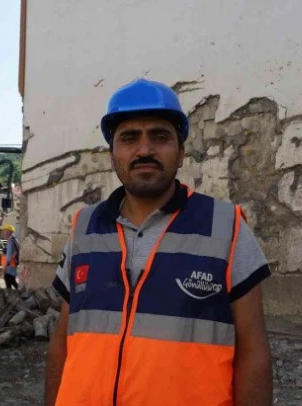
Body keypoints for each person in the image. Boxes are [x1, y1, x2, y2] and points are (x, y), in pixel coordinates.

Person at [45, 79, 273, 405]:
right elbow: (62, 343)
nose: (144, 150)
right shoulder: (84, 228)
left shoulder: (227, 227)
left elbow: (253, 352)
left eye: (160, 136)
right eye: (129, 138)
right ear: (112, 155)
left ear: (181, 154)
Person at [0, 224, 20, 290]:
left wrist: (4, 268)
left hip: (9, 266)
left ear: (9, 232)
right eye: (4, 231)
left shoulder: (10, 242)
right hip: (11, 265)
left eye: (5, 231)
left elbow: (8, 257)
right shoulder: (14, 240)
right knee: (10, 282)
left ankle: (20, 294)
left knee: (11, 282)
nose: (4, 233)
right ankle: (13, 294)